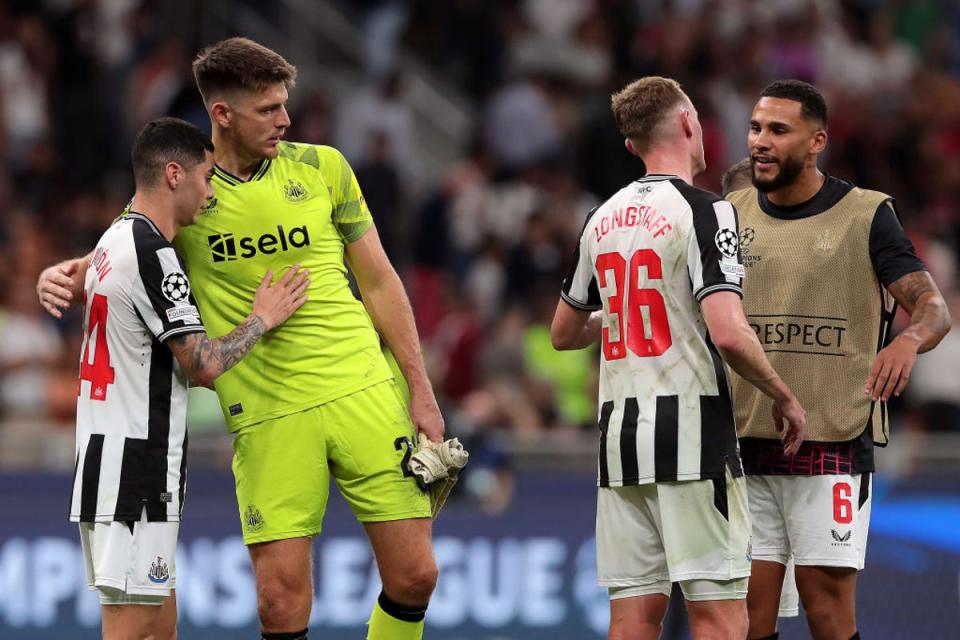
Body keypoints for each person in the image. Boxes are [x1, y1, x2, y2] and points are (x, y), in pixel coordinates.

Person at [39, 38, 444, 640]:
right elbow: (136, 241)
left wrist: (421, 388)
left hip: (360, 386)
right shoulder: (194, 189)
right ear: (221, 113)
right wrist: (72, 267)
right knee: (279, 604)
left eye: (285, 105)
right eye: (267, 109)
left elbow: (380, 280)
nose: (285, 120)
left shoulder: (324, 167)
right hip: (268, 412)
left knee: (416, 575)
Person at [550, 76, 807, 640]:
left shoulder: (601, 216)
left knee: (634, 617)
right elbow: (729, 333)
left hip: (619, 442)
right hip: (691, 438)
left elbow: (563, 333)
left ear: (630, 145)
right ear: (690, 122)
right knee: (718, 615)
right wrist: (783, 395)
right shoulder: (706, 211)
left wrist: (617, 314)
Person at [726, 79, 951, 640]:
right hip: (743, 442)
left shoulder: (867, 214)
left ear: (816, 140)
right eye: (756, 128)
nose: (761, 141)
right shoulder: (728, 213)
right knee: (747, 619)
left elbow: (932, 308)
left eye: (778, 130)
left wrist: (905, 340)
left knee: (827, 612)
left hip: (833, 444)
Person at [72, 117, 308, 640]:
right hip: (135, 469)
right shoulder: (154, 254)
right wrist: (262, 318)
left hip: (119, 463)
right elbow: (201, 365)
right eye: (206, 178)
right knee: (133, 632)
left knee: (160, 631)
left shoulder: (114, 239)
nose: (210, 192)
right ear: (174, 175)